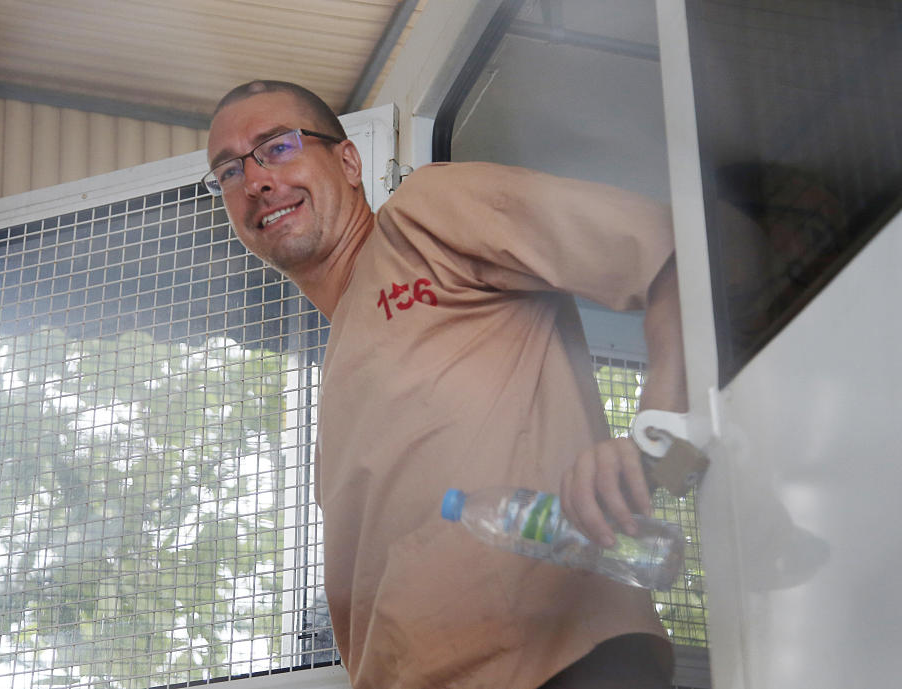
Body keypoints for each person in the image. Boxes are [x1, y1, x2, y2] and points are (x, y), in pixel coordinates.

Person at [203, 80, 688, 689]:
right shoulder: (339, 377)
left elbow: (674, 255)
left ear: (349, 161)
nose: (254, 181)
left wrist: (657, 438)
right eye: (227, 171)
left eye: (277, 146)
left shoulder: (421, 215)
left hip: (561, 665)